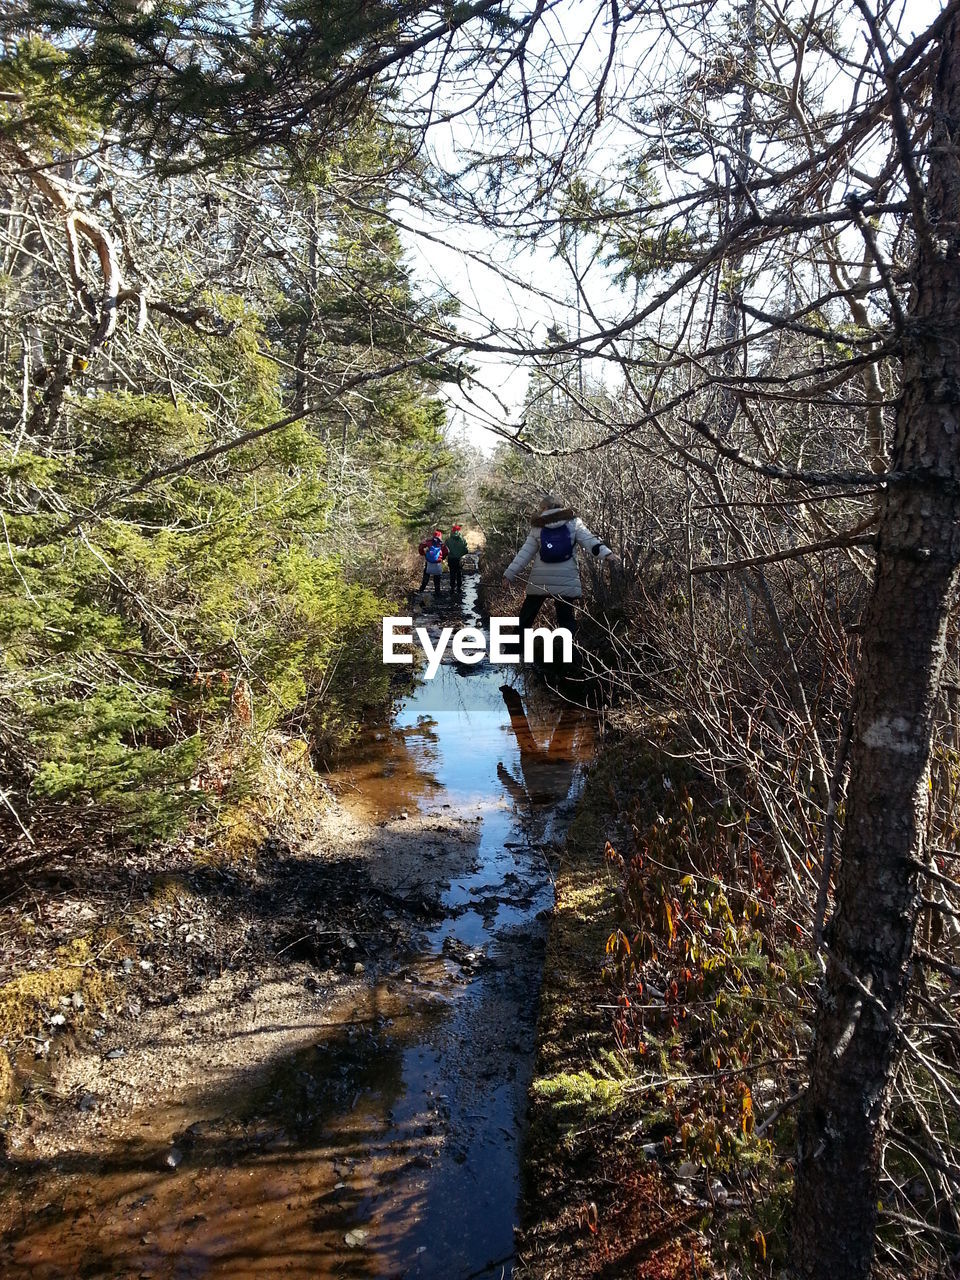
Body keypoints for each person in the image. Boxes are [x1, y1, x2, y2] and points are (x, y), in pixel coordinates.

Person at [501, 496, 615, 647]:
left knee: (526, 616)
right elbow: (590, 541)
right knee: (566, 618)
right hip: (566, 580)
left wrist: (509, 575)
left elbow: (524, 554)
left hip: (540, 580)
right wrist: (607, 554)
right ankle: (567, 653)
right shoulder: (574, 523)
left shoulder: (538, 526)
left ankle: (514, 650)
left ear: (545, 508)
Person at [418, 529, 448, 597]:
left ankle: (421, 590)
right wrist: (442, 557)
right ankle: (437, 593)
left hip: (429, 562)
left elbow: (421, 547)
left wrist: (424, 554)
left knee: (426, 576)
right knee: (437, 578)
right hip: (438, 562)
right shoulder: (441, 544)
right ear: (440, 536)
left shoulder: (428, 542)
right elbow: (447, 551)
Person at [446, 523, 469, 594]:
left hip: (451, 559)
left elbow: (445, 550)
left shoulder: (448, 540)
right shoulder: (462, 540)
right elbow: (466, 550)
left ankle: (452, 588)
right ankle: (459, 588)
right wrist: (461, 554)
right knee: (459, 573)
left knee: (452, 573)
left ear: (452, 531)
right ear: (458, 531)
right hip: (459, 559)